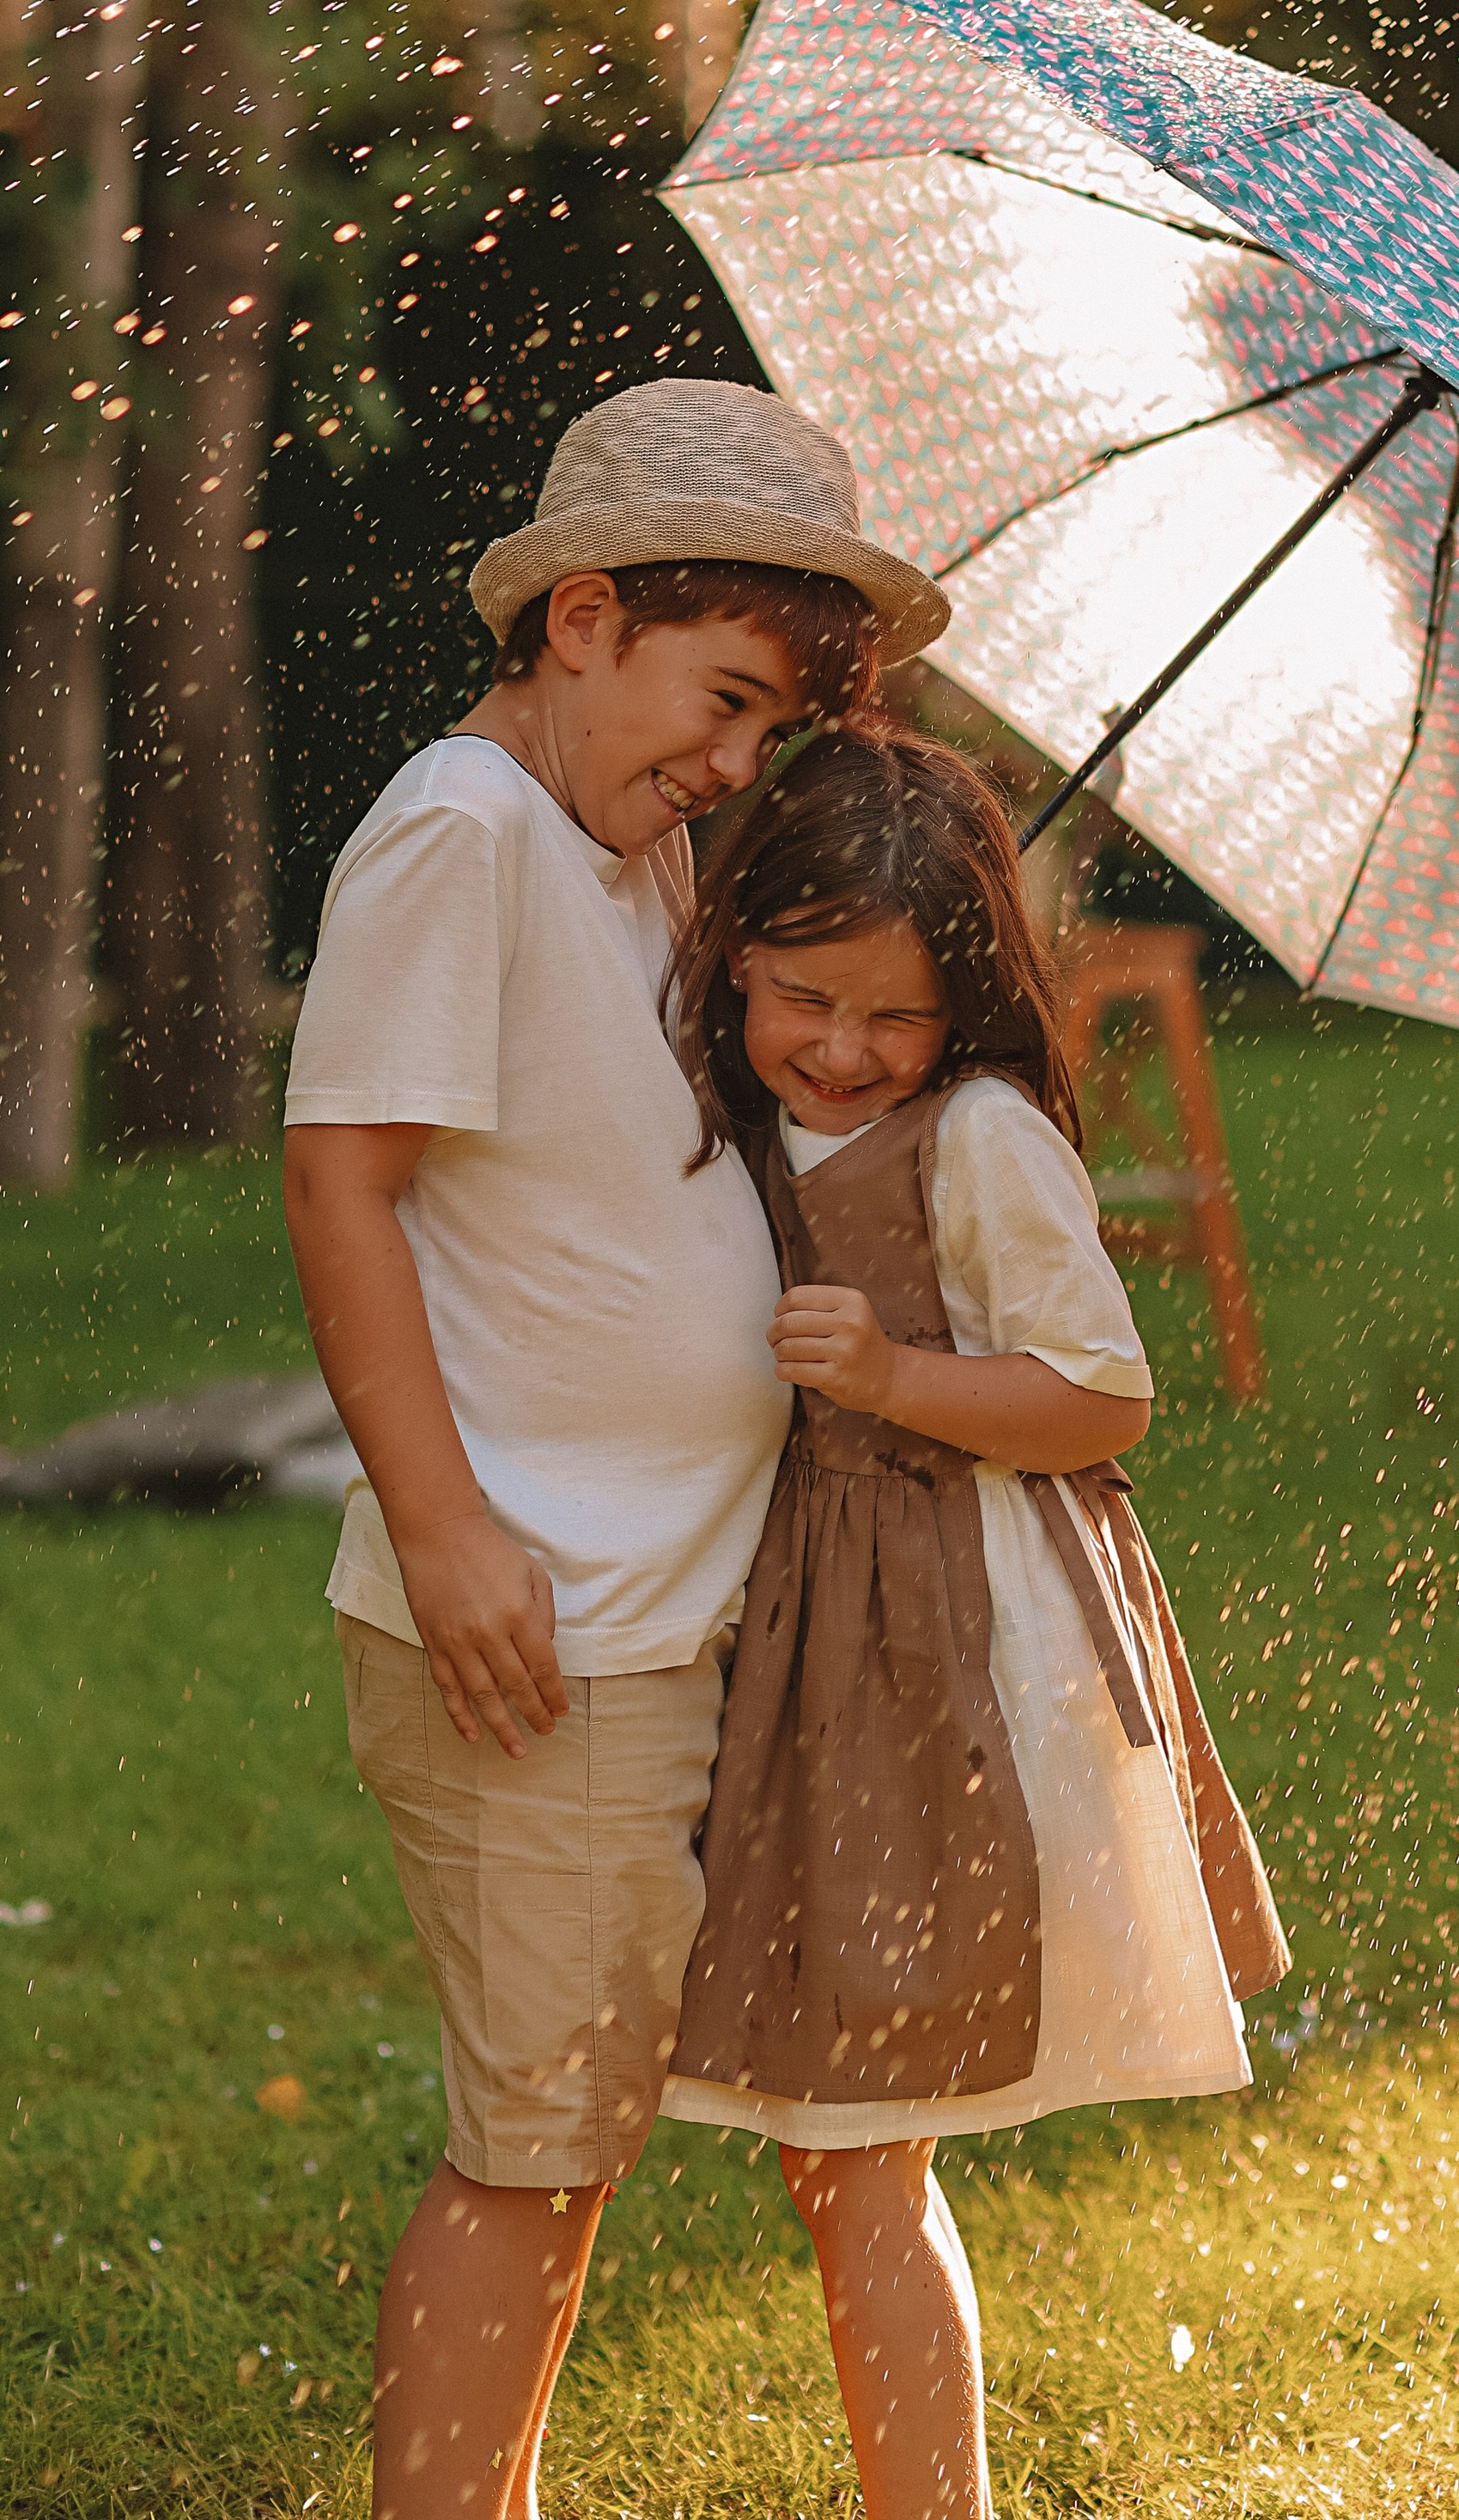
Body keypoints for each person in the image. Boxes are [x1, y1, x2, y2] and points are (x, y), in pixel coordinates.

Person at [280, 381, 946, 2520]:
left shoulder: (630, 843)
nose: (738, 762)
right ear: (581, 620)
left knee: (811, 2122)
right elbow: (344, 1180)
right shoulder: (459, 833)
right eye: (723, 699)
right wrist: (442, 1524)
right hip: (543, 1626)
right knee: (544, 2147)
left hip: (721, 1600)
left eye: (775, 727)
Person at [656, 721, 1291, 2520]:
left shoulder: (985, 1137)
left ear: (967, 1001)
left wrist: (892, 1372)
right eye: (807, 997)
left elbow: (1103, 1399)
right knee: (835, 2146)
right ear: (735, 951)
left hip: (950, 1647)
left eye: (899, 1015)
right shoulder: (722, 1108)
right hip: (816, 1641)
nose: (846, 1048)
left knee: (862, 2142)